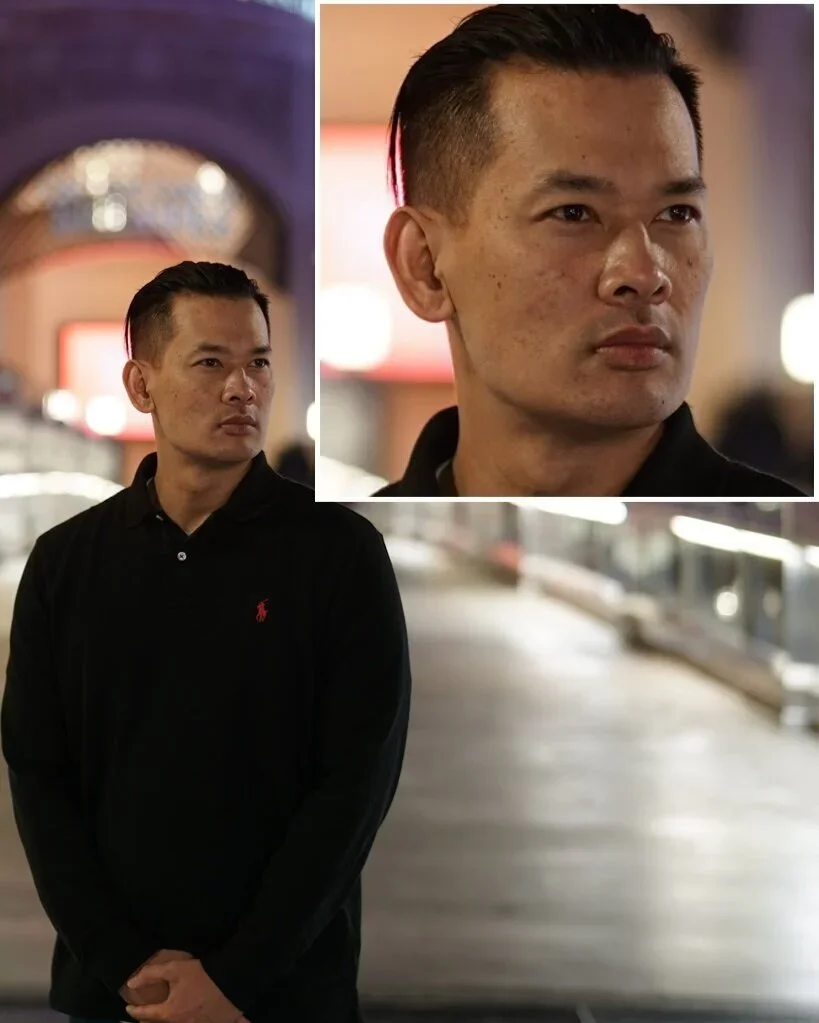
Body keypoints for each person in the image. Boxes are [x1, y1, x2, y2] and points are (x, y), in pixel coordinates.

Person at [1, 261, 411, 1023]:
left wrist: (236, 975)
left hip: (283, 994)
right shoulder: (67, 564)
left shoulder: (338, 554)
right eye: (211, 363)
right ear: (140, 384)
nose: (242, 387)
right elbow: (38, 776)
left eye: (258, 362)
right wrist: (123, 959)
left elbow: (354, 786)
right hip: (116, 993)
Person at [374, 4, 806, 497]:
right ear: (425, 266)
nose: (645, 274)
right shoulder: (341, 557)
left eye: (677, 214)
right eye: (574, 213)